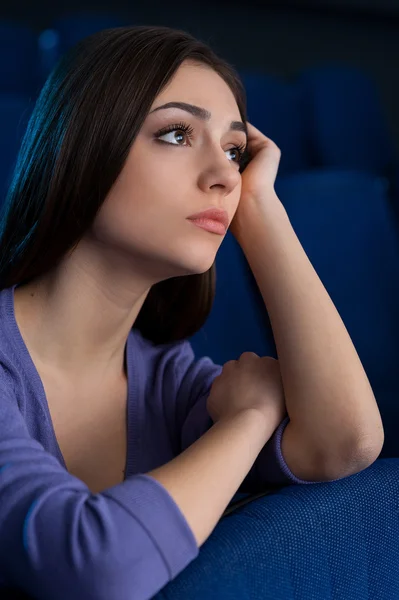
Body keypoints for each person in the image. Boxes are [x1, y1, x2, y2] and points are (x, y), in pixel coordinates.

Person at [0, 25, 384, 600]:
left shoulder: (166, 379)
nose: (226, 174)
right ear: (81, 149)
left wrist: (259, 207)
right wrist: (248, 418)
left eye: (234, 151)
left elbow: (346, 444)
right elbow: (95, 568)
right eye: (177, 134)